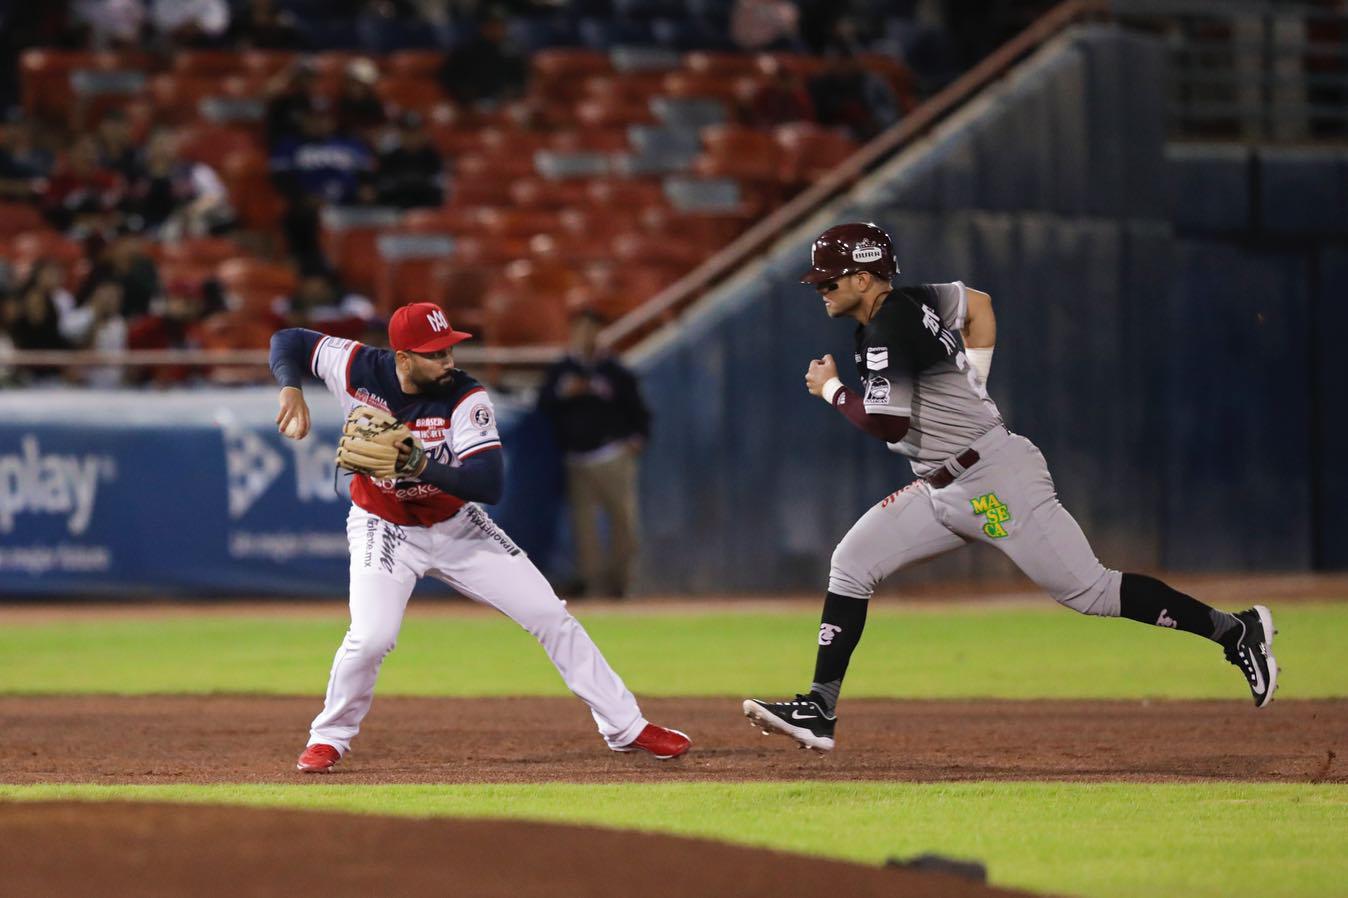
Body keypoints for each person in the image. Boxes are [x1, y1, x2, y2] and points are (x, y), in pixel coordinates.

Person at [741, 222, 1279, 752]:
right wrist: (975, 379)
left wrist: (832, 389)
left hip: (992, 480)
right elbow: (979, 304)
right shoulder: (916, 300)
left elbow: (888, 424)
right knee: (852, 562)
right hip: (940, 486)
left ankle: (1236, 631)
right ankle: (819, 708)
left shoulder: (887, 328)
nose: (821, 288)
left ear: (863, 279)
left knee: (1091, 591)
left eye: (829, 279)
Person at [268, 302, 690, 773]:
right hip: (384, 525)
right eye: (434, 354)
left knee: (550, 615)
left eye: (448, 350)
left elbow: (488, 484)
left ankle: (625, 727)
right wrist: (291, 388)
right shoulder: (356, 366)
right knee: (370, 638)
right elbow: (289, 340)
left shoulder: (467, 396)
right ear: (403, 358)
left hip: (457, 526)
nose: (447, 361)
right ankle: (329, 738)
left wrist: (417, 464)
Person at [538, 309, 651, 599]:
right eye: (580, 329)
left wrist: (637, 438)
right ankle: (595, 588)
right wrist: (564, 392)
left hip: (612, 455)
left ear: (599, 333)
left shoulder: (614, 370)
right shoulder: (562, 369)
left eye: (590, 329)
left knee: (624, 524)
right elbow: (543, 404)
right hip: (576, 458)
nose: (585, 335)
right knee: (584, 530)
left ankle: (623, 585)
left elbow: (638, 409)